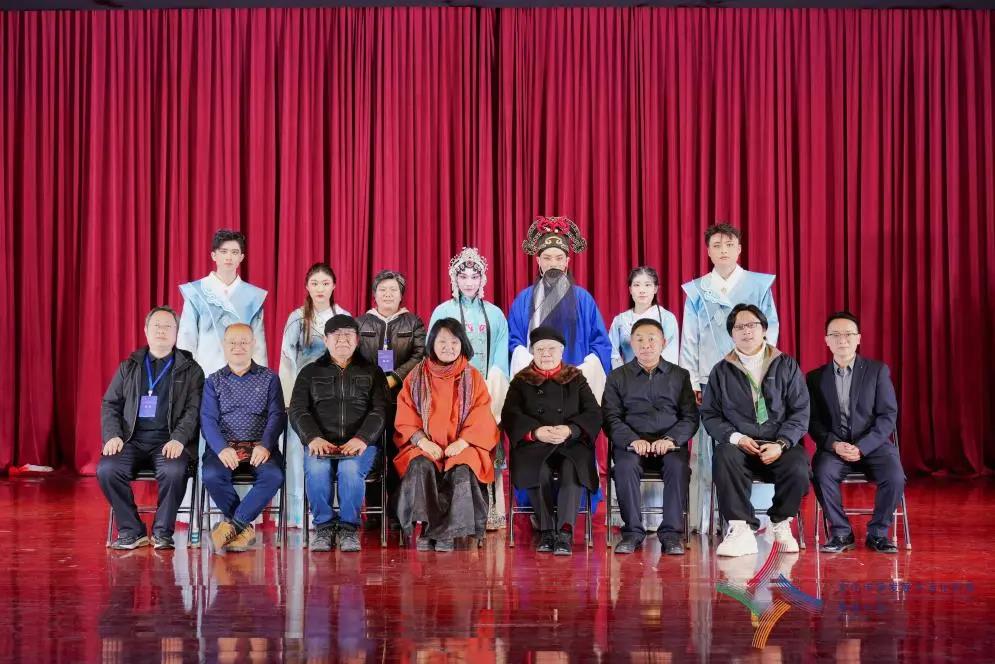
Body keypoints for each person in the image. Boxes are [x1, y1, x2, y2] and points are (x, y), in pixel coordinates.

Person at [680, 222, 780, 533]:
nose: (723, 251)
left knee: (753, 439)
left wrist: (762, 369)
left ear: (739, 249)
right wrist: (691, 380)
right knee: (710, 447)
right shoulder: (697, 290)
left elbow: (771, 328)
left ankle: (755, 516)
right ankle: (707, 519)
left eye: (729, 245)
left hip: (751, 376)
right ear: (708, 252)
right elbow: (690, 337)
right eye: (716, 246)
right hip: (709, 378)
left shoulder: (758, 285)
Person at [702, 304, 809, 557]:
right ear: (732, 334)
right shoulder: (721, 370)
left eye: (752, 325)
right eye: (739, 327)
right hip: (741, 445)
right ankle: (741, 529)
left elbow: (800, 411)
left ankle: (780, 524)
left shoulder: (786, 365)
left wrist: (781, 444)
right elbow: (710, 414)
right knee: (724, 456)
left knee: (798, 465)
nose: (746, 331)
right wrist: (737, 438)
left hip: (778, 443)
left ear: (764, 329)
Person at [98, 306, 205, 550]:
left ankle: (162, 532)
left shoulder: (192, 370)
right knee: (107, 469)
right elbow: (110, 403)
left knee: (175, 470)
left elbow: (194, 410)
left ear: (176, 332)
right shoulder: (129, 366)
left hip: (169, 442)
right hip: (130, 440)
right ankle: (131, 530)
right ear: (146, 330)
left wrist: (179, 438)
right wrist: (112, 435)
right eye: (157, 325)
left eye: (168, 326)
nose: (161, 331)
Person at [393, 318, 499, 552]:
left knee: (463, 468)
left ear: (463, 344)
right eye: (442, 341)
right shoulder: (416, 376)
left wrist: (462, 442)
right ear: (432, 343)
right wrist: (422, 441)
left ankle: (448, 533)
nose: (448, 347)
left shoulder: (473, 376)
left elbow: (482, 414)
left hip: (464, 445)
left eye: (454, 342)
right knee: (419, 465)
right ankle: (427, 528)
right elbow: (406, 413)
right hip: (425, 444)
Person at [289, 315, 389, 553]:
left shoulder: (373, 372)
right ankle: (324, 527)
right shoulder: (309, 372)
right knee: (317, 470)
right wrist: (312, 437)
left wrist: (362, 438)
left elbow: (380, 410)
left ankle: (348, 528)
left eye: (348, 335)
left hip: (360, 445)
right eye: (336, 335)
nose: (342, 339)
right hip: (320, 443)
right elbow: (297, 409)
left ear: (357, 340)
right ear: (325, 340)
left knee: (350, 469)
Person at [501, 326, 603, 556]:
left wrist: (571, 429)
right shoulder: (521, 381)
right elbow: (510, 414)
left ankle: (565, 532)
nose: (545, 354)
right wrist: (535, 432)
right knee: (539, 469)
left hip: (570, 443)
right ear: (532, 352)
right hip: (535, 444)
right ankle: (547, 531)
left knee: (571, 468)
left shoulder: (575, 377)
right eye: (540, 349)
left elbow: (594, 412)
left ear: (562, 351)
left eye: (551, 349)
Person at [429, 248, 511, 531]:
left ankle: (491, 513)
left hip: (486, 391)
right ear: (454, 279)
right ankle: (450, 512)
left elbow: (500, 355)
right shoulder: (443, 311)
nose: (468, 282)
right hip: (450, 392)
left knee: (487, 445)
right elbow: (434, 351)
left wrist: (491, 388)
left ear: (482, 279)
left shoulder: (495, 314)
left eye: (474, 277)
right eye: (462, 276)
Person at [808, 311, 903, 554]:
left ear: (859, 338)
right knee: (821, 473)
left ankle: (878, 533)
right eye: (835, 335)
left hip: (873, 445)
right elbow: (813, 421)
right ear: (826, 340)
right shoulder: (815, 378)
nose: (842, 340)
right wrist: (834, 445)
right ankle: (841, 532)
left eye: (848, 334)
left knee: (895, 476)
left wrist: (863, 447)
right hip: (835, 447)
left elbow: (887, 415)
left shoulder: (876, 371)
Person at [602, 318, 698, 555]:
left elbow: (690, 417)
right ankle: (632, 533)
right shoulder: (617, 377)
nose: (646, 345)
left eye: (652, 339)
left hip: (669, 444)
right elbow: (610, 417)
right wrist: (632, 440)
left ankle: (671, 535)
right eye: (640, 340)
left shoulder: (680, 376)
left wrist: (671, 439)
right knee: (624, 468)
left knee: (678, 467)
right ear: (631, 344)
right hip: (632, 444)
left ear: (663, 343)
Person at [200, 323, 286, 554]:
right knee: (211, 475)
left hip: (260, 447)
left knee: (274, 475)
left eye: (244, 342)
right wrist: (221, 448)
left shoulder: (270, 378)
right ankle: (243, 528)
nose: (238, 347)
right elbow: (208, 420)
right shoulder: (213, 381)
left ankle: (233, 526)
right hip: (225, 448)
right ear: (224, 345)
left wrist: (265, 445)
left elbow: (277, 415)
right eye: (232, 342)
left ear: (253, 344)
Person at [278, 262, 350, 528]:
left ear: (334, 286)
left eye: (325, 283)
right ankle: (299, 514)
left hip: (336, 400)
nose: (320, 288)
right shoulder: (297, 319)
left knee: (333, 455)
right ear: (307, 287)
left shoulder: (344, 317)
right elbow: (287, 361)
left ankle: (333, 512)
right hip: (303, 399)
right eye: (315, 283)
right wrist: (288, 400)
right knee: (299, 455)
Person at [507, 216, 612, 398]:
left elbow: (600, 342)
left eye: (559, 258)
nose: (553, 263)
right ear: (538, 261)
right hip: (535, 380)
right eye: (547, 258)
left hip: (576, 378)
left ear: (567, 262)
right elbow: (514, 341)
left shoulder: (583, 299)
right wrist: (534, 366)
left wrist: (583, 371)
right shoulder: (524, 299)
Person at [178, 229, 268, 375]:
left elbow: (258, 346)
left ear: (241, 257)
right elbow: (186, 339)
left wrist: (259, 379)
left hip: (242, 375)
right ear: (214, 255)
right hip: (204, 373)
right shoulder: (197, 292)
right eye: (224, 251)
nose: (229, 257)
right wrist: (186, 378)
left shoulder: (252, 296)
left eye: (234, 252)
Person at [609, 266, 679, 368]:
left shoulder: (667, 318)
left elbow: (670, 356)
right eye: (636, 285)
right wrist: (622, 375)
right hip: (626, 376)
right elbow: (613, 354)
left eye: (647, 285)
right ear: (630, 289)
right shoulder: (620, 320)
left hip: (661, 376)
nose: (642, 290)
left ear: (655, 289)